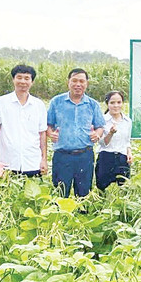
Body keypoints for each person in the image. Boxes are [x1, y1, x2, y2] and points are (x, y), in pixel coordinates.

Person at [46, 68, 106, 197]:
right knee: (60, 193)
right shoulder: (56, 102)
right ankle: (60, 217)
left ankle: (82, 216)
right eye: (74, 81)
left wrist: (97, 134)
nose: (78, 84)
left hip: (85, 155)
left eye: (81, 81)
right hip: (62, 156)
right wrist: (50, 133)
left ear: (86, 84)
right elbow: (48, 125)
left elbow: (100, 126)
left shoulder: (92, 104)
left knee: (84, 194)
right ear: (68, 82)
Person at [0, 64, 48, 177]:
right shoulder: (0, 103)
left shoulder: (38, 105)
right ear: (13, 79)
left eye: (27, 78)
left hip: (32, 162)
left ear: (32, 82)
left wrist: (44, 159)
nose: (23, 81)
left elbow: (42, 134)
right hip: (7, 163)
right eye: (19, 77)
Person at [95, 90, 133, 191]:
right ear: (107, 104)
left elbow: (127, 141)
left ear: (123, 103)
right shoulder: (102, 121)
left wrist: (129, 153)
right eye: (112, 103)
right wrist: (110, 133)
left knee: (123, 189)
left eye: (119, 102)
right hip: (106, 158)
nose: (116, 106)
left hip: (122, 158)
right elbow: (102, 143)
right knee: (102, 188)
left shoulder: (127, 121)